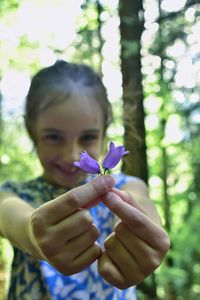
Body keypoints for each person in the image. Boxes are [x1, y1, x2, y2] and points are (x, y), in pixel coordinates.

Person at [0, 60, 170, 300]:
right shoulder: (11, 194)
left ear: (103, 134)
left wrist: (149, 236)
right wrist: (32, 234)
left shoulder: (126, 186)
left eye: (88, 137)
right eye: (54, 137)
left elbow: (141, 205)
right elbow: (11, 216)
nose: (71, 156)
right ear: (31, 130)